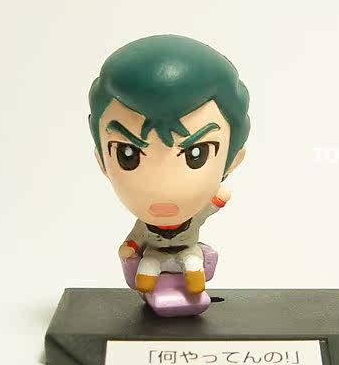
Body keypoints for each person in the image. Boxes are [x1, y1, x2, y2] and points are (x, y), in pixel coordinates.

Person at [88, 34, 250, 294]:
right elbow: (135, 239)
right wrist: (130, 247)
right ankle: (148, 288)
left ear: (233, 161)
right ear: (102, 161)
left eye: (196, 154)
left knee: (193, 263)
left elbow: (215, 203)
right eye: (128, 155)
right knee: (148, 267)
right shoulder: (145, 226)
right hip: (153, 254)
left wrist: (220, 197)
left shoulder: (195, 216)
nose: (162, 187)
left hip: (188, 250)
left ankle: (193, 286)